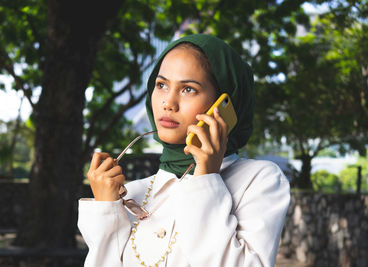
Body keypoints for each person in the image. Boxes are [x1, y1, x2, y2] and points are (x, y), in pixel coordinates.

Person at [77, 34, 290, 267]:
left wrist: (207, 177)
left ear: (225, 104)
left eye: (188, 89)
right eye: (161, 85)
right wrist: (107, 210)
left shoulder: (260, 180)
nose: (168, 102)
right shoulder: (131, 193)